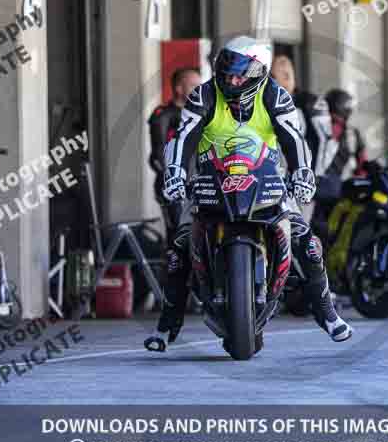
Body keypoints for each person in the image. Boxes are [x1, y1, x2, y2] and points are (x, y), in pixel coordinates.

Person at [144, 36, 352, 353]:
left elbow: (294, 140)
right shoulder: (202, 95)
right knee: (178, 249)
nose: (231, 80)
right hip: (209, 180)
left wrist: (303, 174)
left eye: (240, 75)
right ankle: (166, 325)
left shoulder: (275, 96)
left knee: (308, 243)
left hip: (266, 179)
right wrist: (175, 173)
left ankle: (327, 314)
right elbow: (184, 137)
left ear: (258, 73)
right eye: (226, 74)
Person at [148, 67, 202, 239]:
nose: (199, 90)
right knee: (180, 236)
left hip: (201, 185)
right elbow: (158, 156)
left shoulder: (202, 115)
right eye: (194, 85)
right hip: (175, 187)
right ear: (179, 88)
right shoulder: (164, 115)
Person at [309, 88, 368, 243]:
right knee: (332, 232)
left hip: (310, 185)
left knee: (308, 230)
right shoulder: (352, 133)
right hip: (337, 189)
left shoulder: (315, 125)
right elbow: (362, 165)